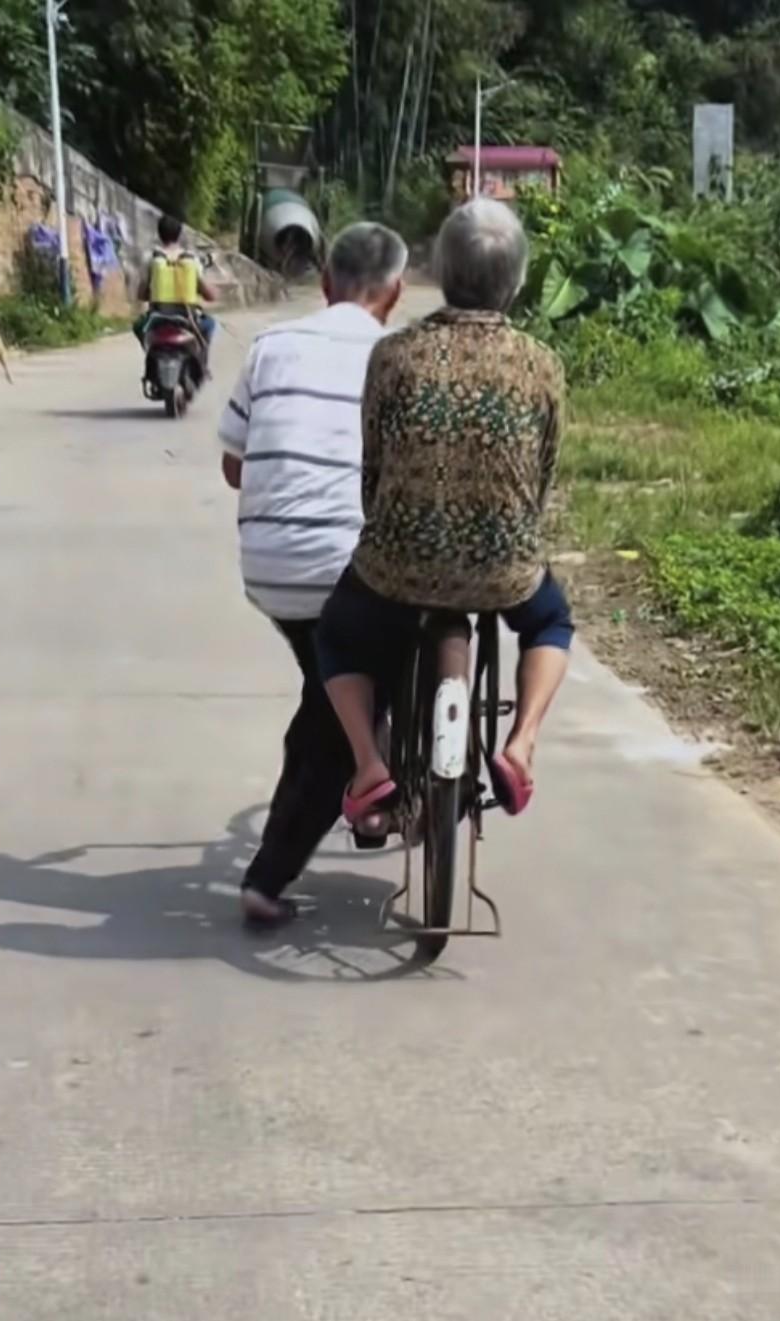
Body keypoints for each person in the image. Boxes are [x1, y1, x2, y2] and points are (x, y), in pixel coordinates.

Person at [316, 199, 574, 831]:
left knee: (336, 634)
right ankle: (521, 743)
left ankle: (370, 764)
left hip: (396, 563)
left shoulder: (393, 355)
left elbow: (371, 468)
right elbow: (543, 472)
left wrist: (393, 528)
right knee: (551, 622)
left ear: (437, 271)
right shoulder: (542, 364)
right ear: (515, 281)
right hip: (504, 565)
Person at [218, 222, 409, 926]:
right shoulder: (399, 355)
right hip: (348, 567)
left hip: (271, 568)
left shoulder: (271, 346)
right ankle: (268, 877)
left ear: (324, 283)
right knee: (349, 702)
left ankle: (364, 798)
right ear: (394, 292)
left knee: (325, 685)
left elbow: (234, 464)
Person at [134, 214, 219, 354]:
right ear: (180, 234)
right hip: (187, 318)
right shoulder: (192, 260)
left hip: (157, 317)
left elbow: (141, 294)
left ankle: (150, 352)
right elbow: (209, 295)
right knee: (210, 324)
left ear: (159, 234)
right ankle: (202, 364)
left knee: (138, 325)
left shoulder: (152, 259)